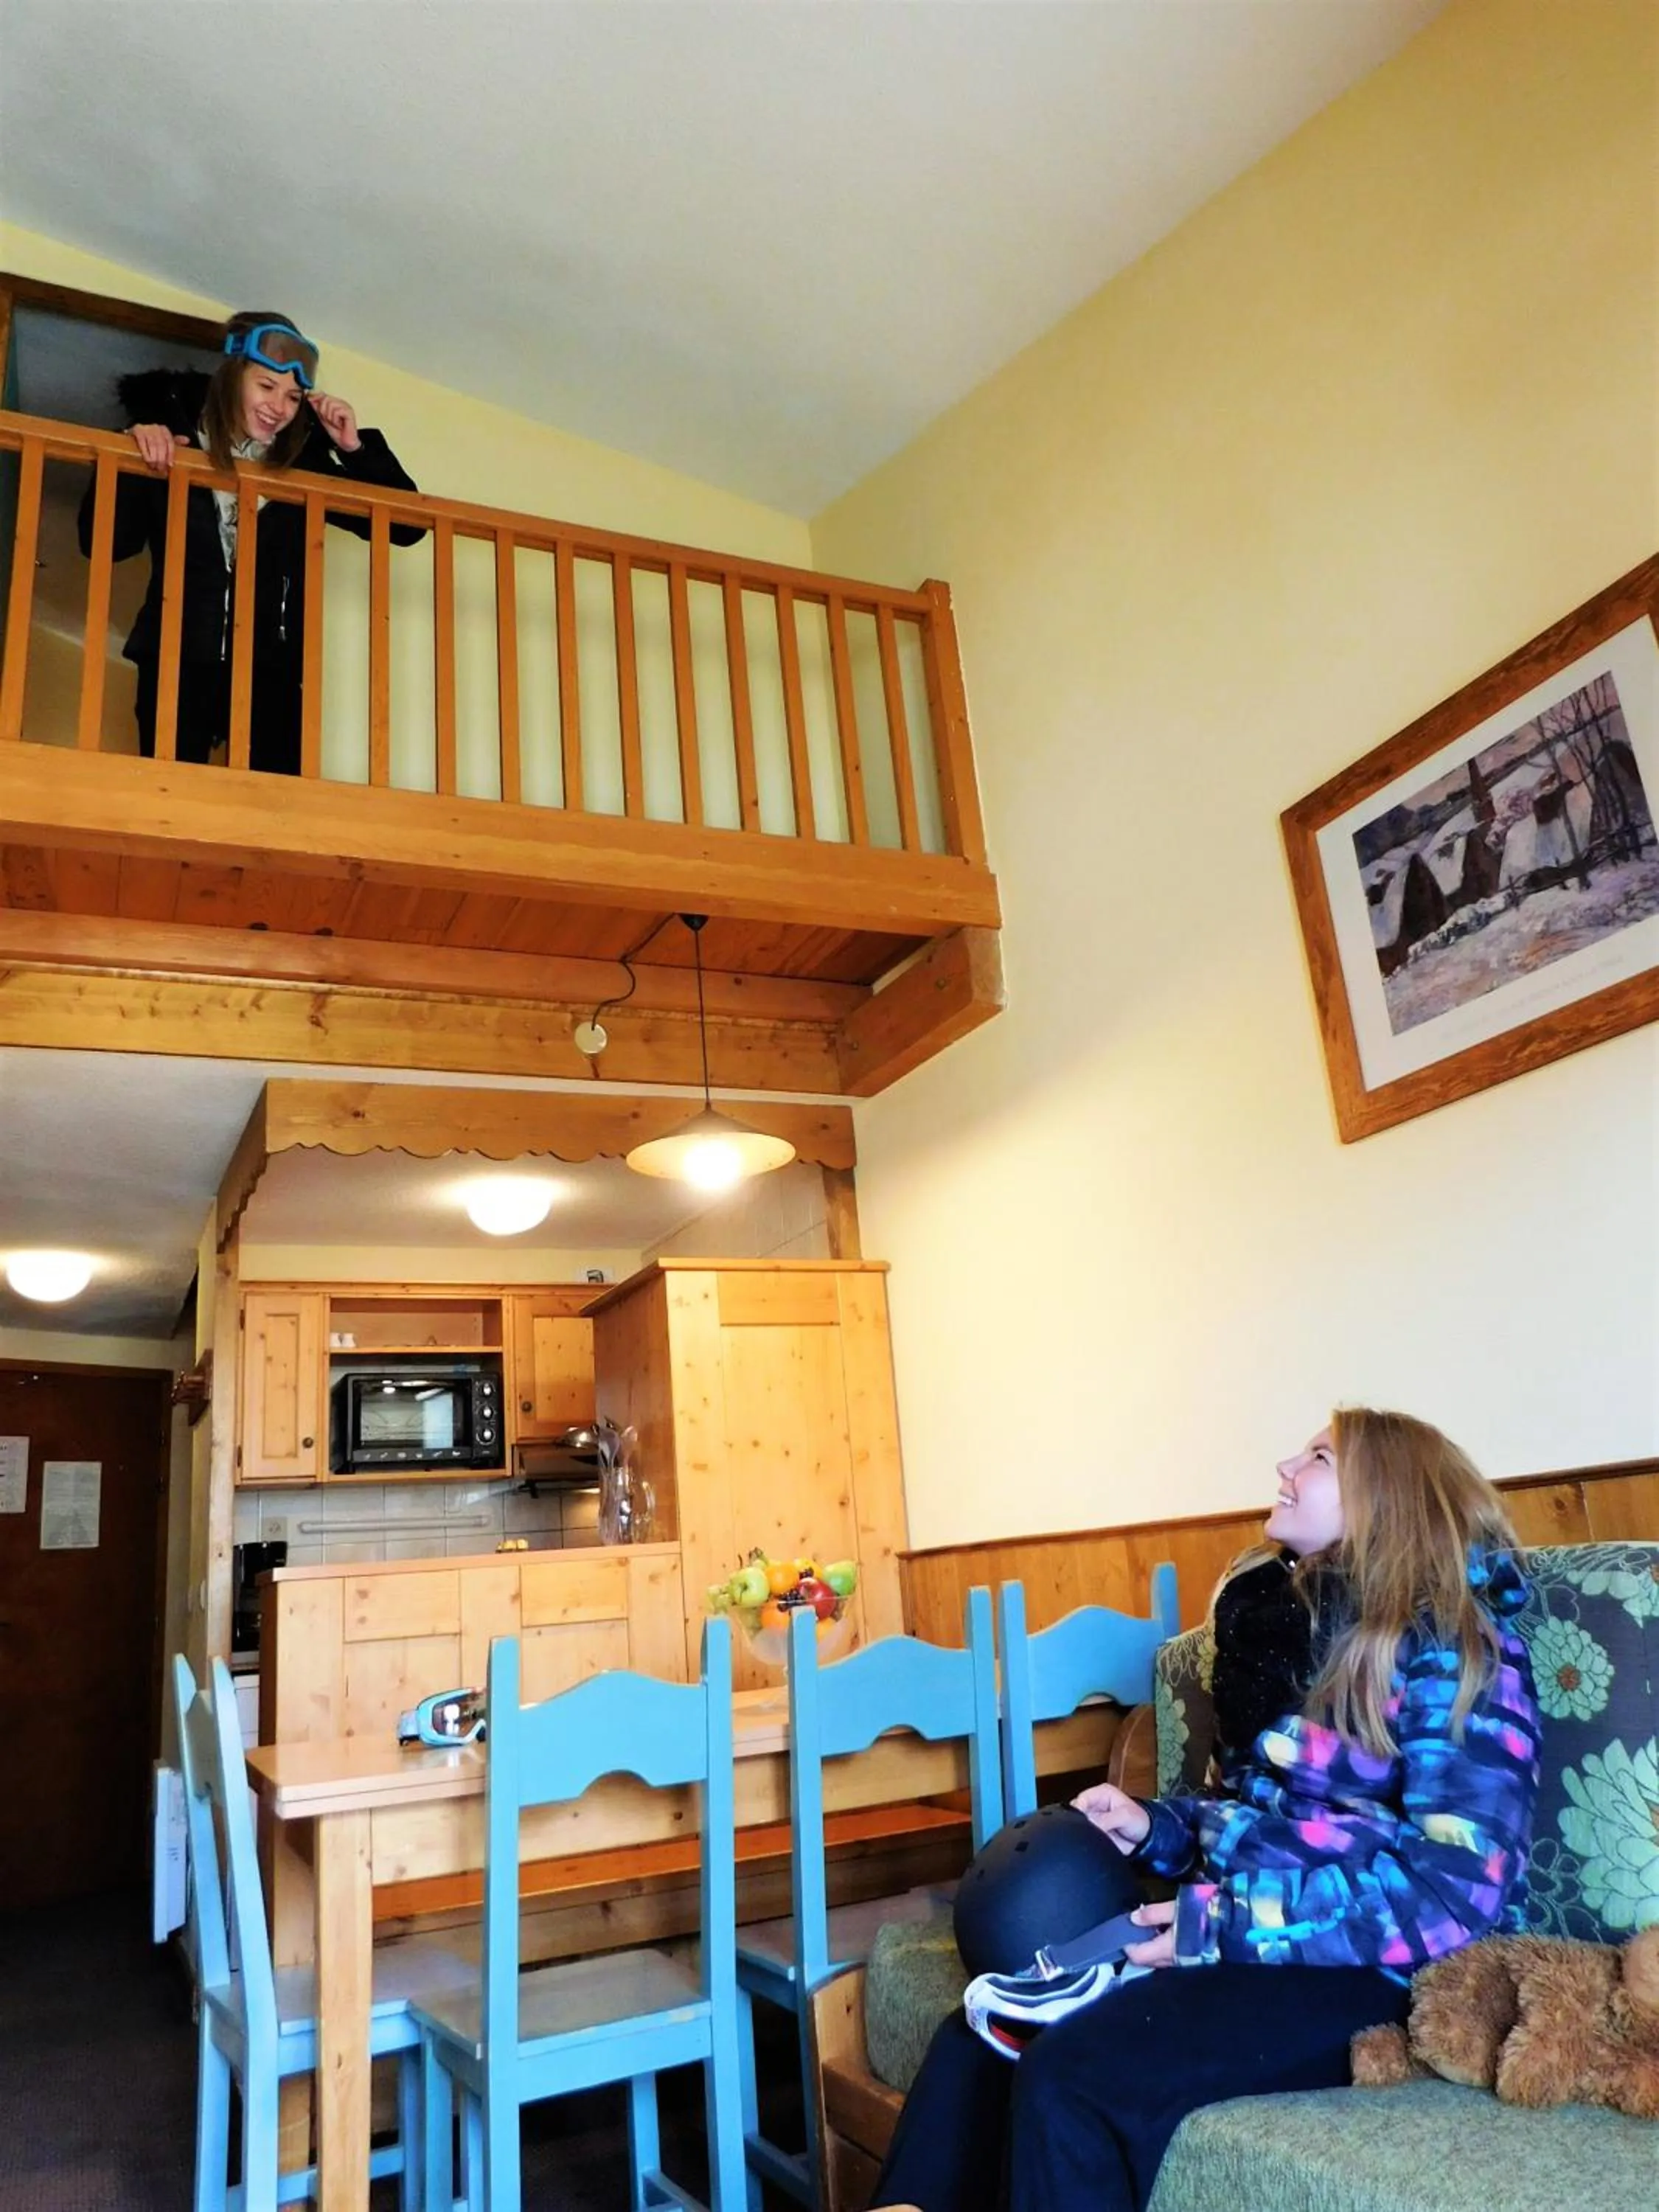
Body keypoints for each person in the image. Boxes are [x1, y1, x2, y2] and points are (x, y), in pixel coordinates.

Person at [874, 1407, 1543, 2212]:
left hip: (1371, 1967)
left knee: (1073, 2074)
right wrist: (1154, 1828)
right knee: (981, 2035)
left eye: (1319, 1457)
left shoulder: (1460, 1650)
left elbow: (1453, 1893)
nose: (1286, 1467)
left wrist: (1218, 1924)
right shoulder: (1302, 1634)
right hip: (1249, 1932)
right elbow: (1261, 1819)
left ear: (1386, 1496)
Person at [77, 310, 422, 774]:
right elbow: (103, 543)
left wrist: (356, 449)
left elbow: (406, 527)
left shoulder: (304, 463)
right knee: (173, 800)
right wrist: (129, 452)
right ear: (233, 375)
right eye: (266, 386)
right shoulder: (174, 439)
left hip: (272, 668)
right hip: (177, 657)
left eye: (293, 397)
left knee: (274, 807)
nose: (279, 407)